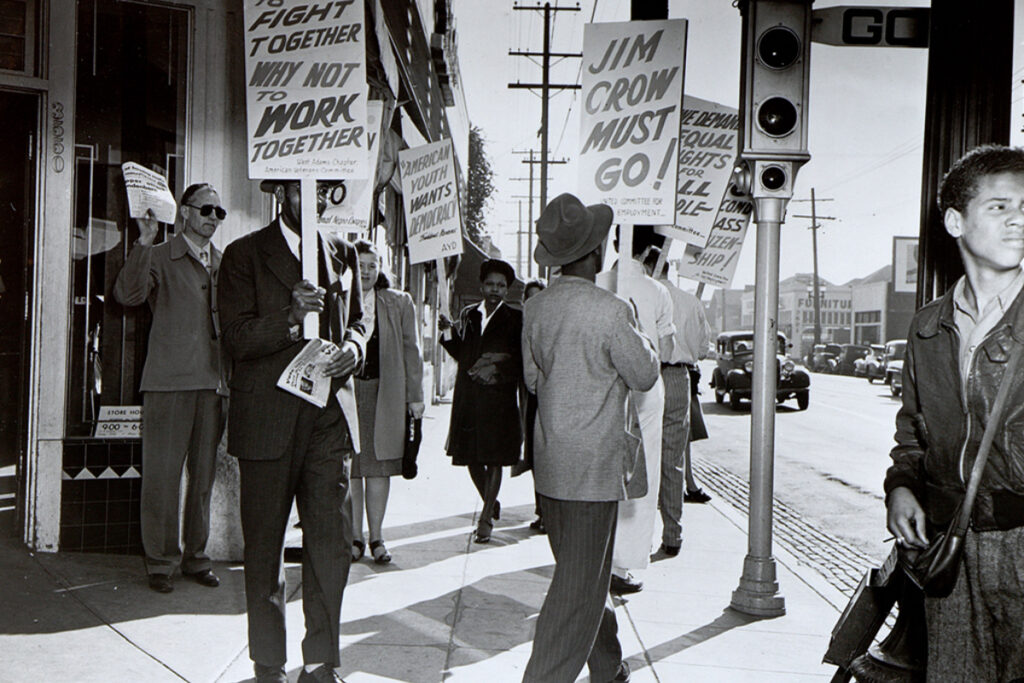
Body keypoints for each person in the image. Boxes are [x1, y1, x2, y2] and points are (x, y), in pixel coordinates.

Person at [884, 144, 1024, 682]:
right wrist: (900, 486)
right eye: (999, 207)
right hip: (952, 547)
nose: (1018, 220)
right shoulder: (926, 327)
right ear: (954, 221)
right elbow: (912, 433)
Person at [218, 179, 365, 683]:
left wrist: (356, 348)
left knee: (330, 545)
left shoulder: (344, 253)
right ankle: (269, 664)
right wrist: (290, 316)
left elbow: (360, 323)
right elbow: (236, 338)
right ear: (281, 191)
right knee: (264, 549)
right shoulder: (244, 255)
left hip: (328, 420)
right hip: (268, 421)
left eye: (327, 188)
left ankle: (322, 663)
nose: (318, 197)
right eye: (305, 188)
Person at [522, 192, 658, 683]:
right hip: (596, 468)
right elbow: (644, 376)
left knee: (585, 573)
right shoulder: (612, 309)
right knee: (576, 591)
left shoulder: (535, 309)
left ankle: (608, 667)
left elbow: (534, 381)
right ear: (596, 251)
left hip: (552, 462)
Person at [113, 182, 227, 594]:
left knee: (202, 481)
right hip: (167, 384)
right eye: (205, 210)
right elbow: (127, 295)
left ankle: (196, 558)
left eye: (219, 212)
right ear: (184, 214)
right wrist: (144, 241)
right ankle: (161, 562)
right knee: (162, 478)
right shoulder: (160, 255)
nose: (213, 217)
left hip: (212, 386)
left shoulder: (224, 262)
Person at [597, 231, 675, 594]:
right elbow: (669, 350)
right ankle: (623, 565)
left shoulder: (597, 283)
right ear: (649, 250)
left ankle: (595, 554)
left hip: (601, 386)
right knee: (640, 476)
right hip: (644, 391)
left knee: (599, 470)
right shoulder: (658, 290)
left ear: (616, 243)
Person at [349, 239, 424, 565]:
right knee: (351, 469)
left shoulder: (398, 302)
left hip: (385, 392)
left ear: (380, 269)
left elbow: (413, 351)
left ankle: (377, 536)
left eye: (371, 265)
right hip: (348, 393)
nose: (365, 271)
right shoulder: (340, 297)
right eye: (360, 265)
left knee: (379, 467)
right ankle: (353, 538)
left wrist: (415, 397)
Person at [439, 259, 523, 544]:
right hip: (469, 397)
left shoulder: (515, 319)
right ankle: (491, 500)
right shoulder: (469, 314)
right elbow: (463, 355)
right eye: (490, 284)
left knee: (494, 459)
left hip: (498, 400)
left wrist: (498, 370)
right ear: (481, 286)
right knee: (472, 458)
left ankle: (486, 517)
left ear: (507, 290)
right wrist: (447, 333)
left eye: (501, 286)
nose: (495, 290)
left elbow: (520, 362)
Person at [640, 249, 713, 559]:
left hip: (647, 375)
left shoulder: (643, 296)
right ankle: (673, 534)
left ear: (646, 265)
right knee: (673, 459)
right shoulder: (689, 301)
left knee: (640, 456)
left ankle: (640, 536)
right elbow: (702, 348)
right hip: (678, 377)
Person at [523, 278, 547, 534]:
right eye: (530, 298)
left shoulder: (551, 324)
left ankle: (546, 513)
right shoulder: (523, 325)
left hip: (548, 397)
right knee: (535, 458)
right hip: (529, 399)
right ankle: (541, 510)